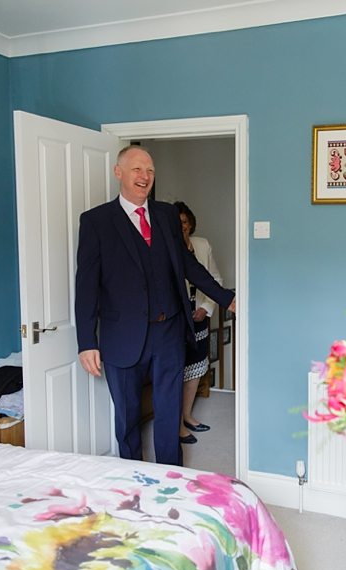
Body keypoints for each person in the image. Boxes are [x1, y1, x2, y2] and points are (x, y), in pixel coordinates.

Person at [75, 145, 235, 466]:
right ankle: (133, 476)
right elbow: (86, 286)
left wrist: (226, 298)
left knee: (168, 409)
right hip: (122, 336)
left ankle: (171, 475)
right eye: (136, 169)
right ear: (118, 172)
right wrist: (87, 342)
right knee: (129, 415)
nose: (144, 176)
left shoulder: (165, 216)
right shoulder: (96, 221)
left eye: (149, 170)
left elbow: (189, 267)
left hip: (169, 331)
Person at [174, 201, 222, 445]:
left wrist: (206, 308)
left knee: (194, 368)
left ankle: (188, 416)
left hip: (199, 317)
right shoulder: (166, 247)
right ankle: (177, 425)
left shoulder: (202, 245)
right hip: (177, 321)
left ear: (190, 223)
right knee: (176, 370)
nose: (181, 226)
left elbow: (214, 278)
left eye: (184, 222)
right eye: (176, 222)